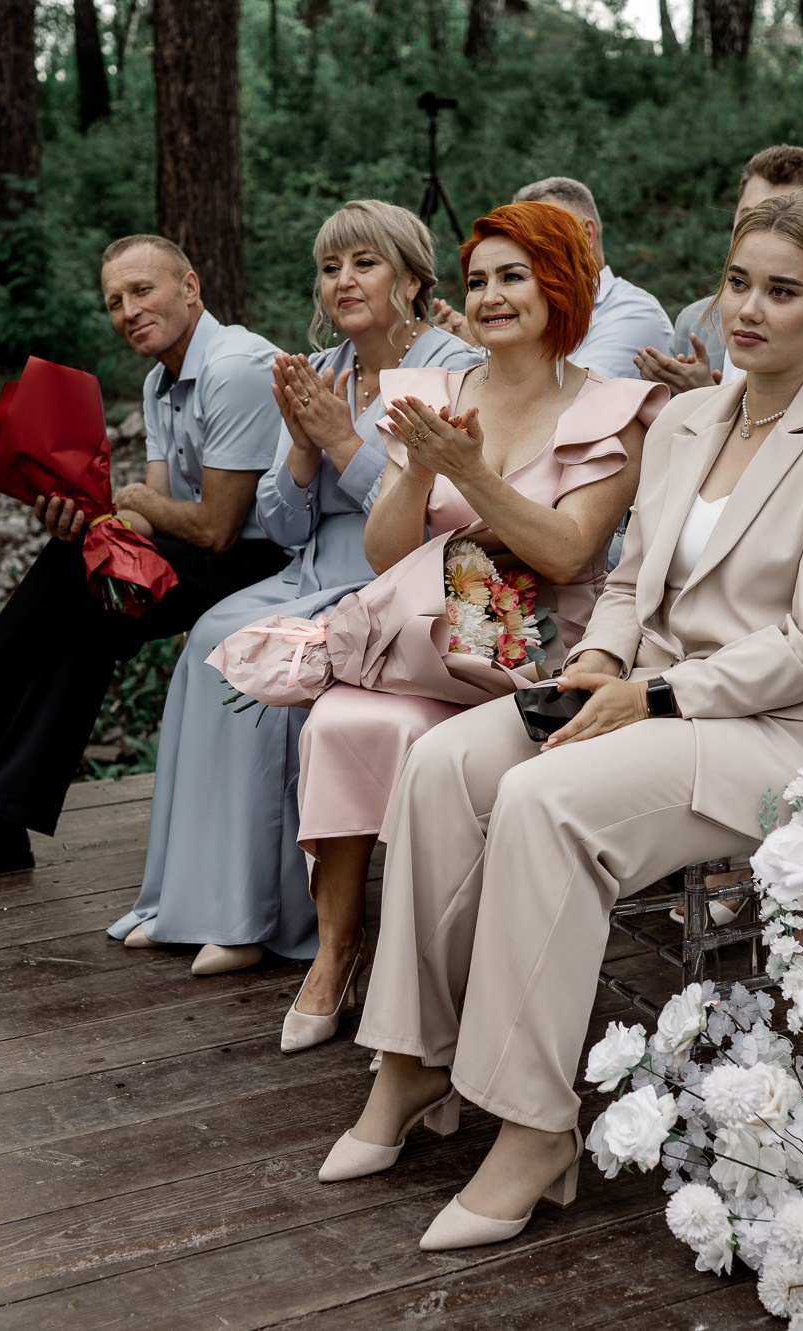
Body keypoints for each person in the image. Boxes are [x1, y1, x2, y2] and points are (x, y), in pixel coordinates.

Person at [315, 190, 803, 1252]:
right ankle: (411, 1061)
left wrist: (650, 694)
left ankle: (533, 1126)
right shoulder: (687, 418)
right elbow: (634, 582)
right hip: (644, 691)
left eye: (782, 292)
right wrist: (598, 659)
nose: (747, 310)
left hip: (789, 731)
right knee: (443, 762)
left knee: (542, 799)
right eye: (737, 282)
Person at [288, 201, 665, 1054]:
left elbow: (569, 551)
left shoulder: (614, 410)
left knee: (427, 747)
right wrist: (422, 471)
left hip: (546, 646)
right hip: (433, 636)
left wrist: (473, 474)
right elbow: (386, 551)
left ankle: (439, 976)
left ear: (560, 285)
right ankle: (338, 950)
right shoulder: (432, 393)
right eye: (478, 280)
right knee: (340, 719)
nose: (490, 296)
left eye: (513, 277)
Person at [0, 237, 290, 897]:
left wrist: (130, 505)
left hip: (272, 565)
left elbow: (214, 528)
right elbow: (155, 521)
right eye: (114, 301)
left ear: (190, 287)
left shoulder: (234, 367)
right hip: (212, 556)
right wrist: (92, 521)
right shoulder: (160, 382)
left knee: (82, 573)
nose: (128, 311)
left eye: (142, 290)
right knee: (86, 594)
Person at [105, 202, 479, 979]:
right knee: (210, 638)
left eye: (364, 263)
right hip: (308, 569)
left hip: (398, 579)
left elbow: (437, 511)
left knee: (254, 657)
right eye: (331, 267)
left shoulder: (452, 365)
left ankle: (254, 916)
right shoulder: (322, 368)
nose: (344, 281)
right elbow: (278, 520)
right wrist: (303, 450)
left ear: (412, 279)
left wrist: (340, 439)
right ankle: (187, 899)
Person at [635, 145, 803, 393]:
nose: (764, 228)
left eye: (788, 220)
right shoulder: (694, 321)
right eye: (749, 216)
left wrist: (705, 397)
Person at [432, 178, 672, 378]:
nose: (490, 298)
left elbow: (579, 397)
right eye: (477, 283)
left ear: (586, 234)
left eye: (546, 233)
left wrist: (479, 347)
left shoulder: (635, 312)